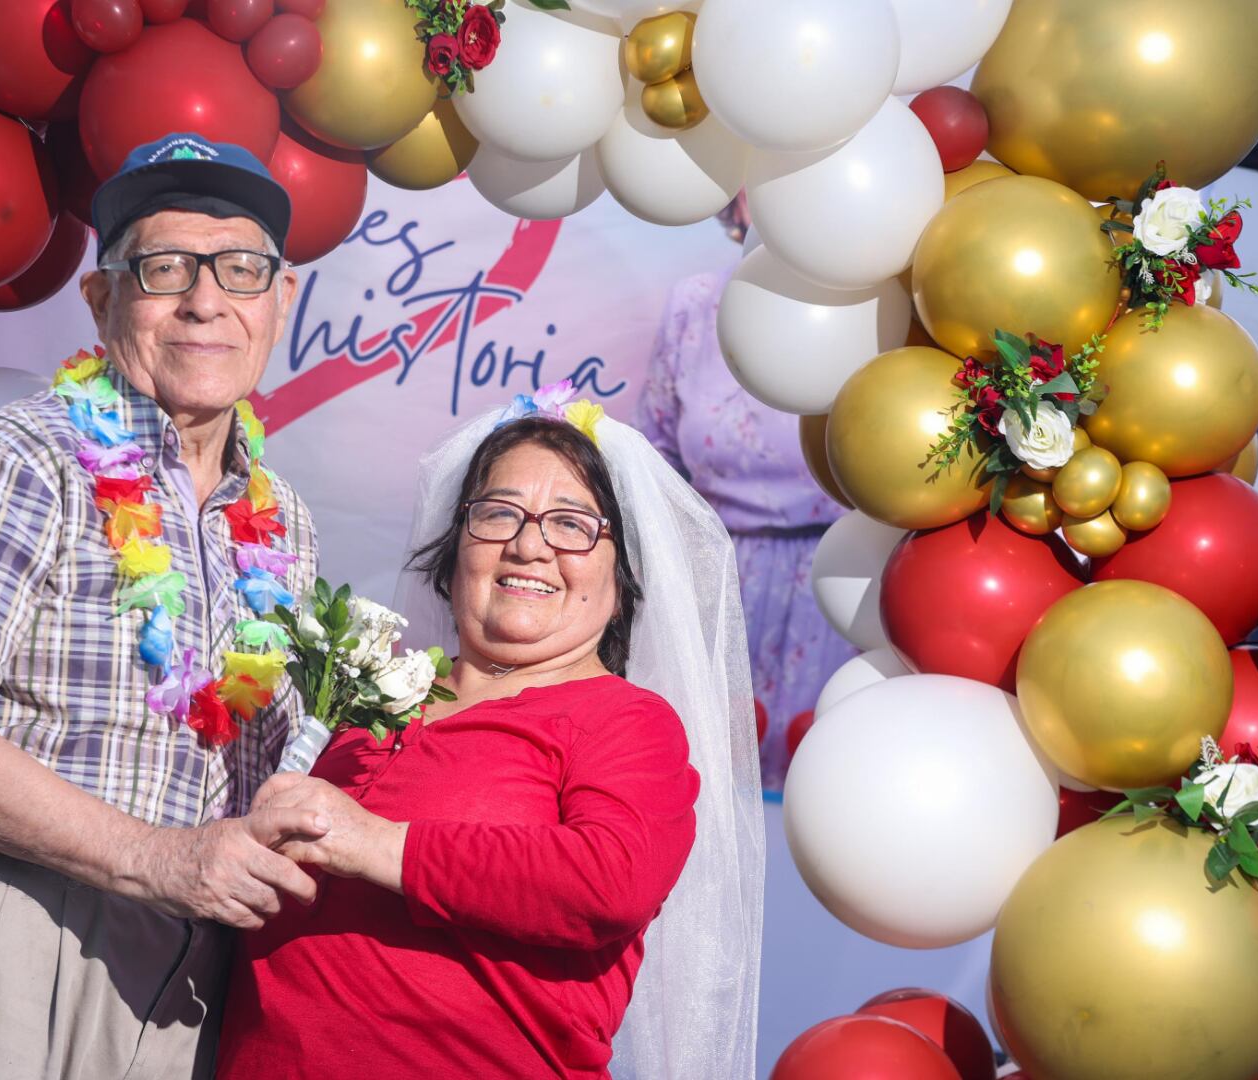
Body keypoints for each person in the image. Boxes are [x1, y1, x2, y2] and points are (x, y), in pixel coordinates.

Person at [0, 133, 323, 1080]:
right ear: (101, 298)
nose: (205, 300)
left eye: (241, 269)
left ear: (281, 299)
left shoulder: (282, 522)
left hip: (183, 980)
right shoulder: (24, 450)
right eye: (165, 268)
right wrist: (160, 860)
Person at [216, 399, 765, 1078]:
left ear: (622, 580)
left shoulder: (627, 720)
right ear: (454, 551)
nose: (529, 545)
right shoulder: (363, 701)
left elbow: (613, 879)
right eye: (500, 513)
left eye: (572, 524)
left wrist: (376, 844)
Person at [638, 201, 857, 789]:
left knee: (824, 777)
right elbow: (656, 455)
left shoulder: (869, 308)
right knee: (697, 776)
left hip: (839, 577)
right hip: (715, 572)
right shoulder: (694, 303)